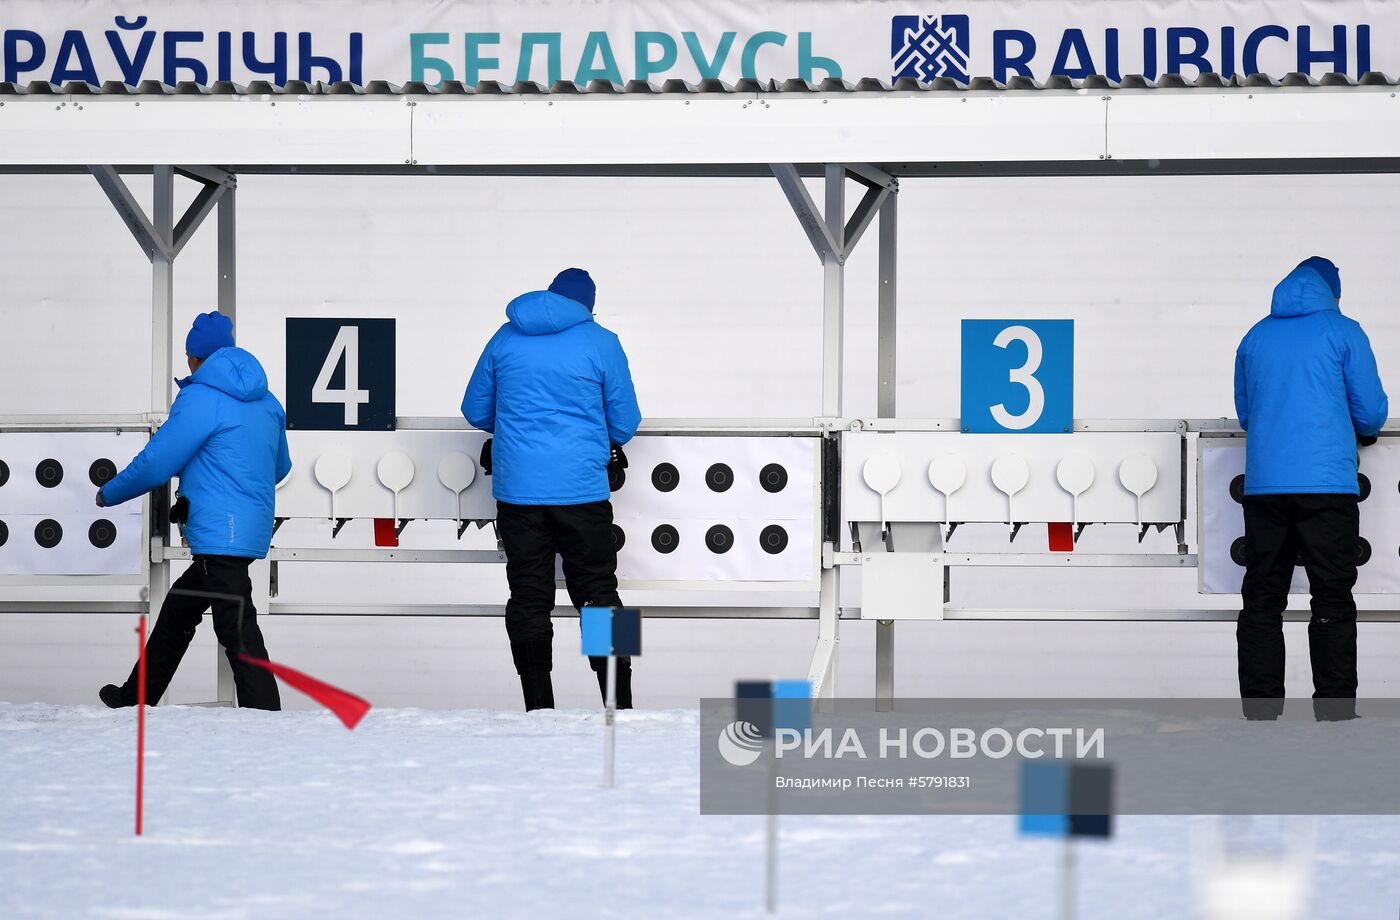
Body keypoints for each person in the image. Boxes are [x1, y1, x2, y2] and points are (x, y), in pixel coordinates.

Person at [463, 268, 641, 711]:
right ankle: (619, 703)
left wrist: (517, 428)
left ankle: (538, 705)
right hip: (582, 490)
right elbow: (624, 422)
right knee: (600, 589)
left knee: (527, 594)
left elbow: (474, 410)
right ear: (587, 306)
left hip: (518, 492)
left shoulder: (505, 337)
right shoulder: (601, 341)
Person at [97, 311, 290, 711]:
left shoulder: (201, 398)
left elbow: (156, 462)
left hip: (221, 531)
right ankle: (136, 696)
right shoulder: (269, 402)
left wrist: (109, 494)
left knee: (236, 627)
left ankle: (268, 717)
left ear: (195, 358)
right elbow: (280, 467)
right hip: (245, 528)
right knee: (179, 610)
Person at [1234, 256, 1388, 719]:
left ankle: (1260, 716)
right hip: (1326, 487)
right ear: (1333, 293)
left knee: (1261, 600)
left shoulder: (1255, 336)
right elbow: (1371, 412)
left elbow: (1246, 413)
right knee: (1332, 598)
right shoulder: (1343, 331)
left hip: (1265, 487)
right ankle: (1335, 714)